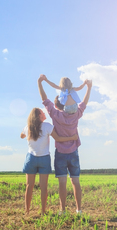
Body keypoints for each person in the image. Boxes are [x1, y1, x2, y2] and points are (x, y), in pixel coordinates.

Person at [37, 74, 92, 215]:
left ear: (57, 105)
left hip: (61, 153)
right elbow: (84, 103)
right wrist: (89, 87)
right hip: (73, 152)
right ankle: (79, 209)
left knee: (62, 183)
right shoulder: (76, 114)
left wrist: (40, 83)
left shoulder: (55, 115)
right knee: (76, 182)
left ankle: (63, 210)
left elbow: (44, 100)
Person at [20, 108, 79, 215]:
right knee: (43, 187)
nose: (44, 113)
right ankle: (43, 211)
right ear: (39, 115)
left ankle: (27, 211)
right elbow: (59, 138)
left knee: (29, 186)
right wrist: (73, 137)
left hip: (31, 158)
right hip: (44, 159)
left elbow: (21, 135)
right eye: (42, 112)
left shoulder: (28, 127)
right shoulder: (47, 126)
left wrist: (24, 134)